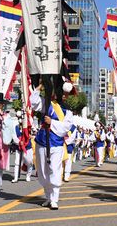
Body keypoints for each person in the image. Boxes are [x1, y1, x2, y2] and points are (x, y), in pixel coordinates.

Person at [32, 81, 74, 210]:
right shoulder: (46, 103)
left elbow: (66, 127)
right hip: (42, 140)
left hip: (56, 142)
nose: (63, 96)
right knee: (43, 170)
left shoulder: (67, 111)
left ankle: (55, 199)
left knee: (54, 170)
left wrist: (52, 122)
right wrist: (39, 86)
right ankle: (48, 197)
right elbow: (33, 102)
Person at [12, 113, 34, 183]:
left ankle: (28, 175)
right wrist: (18, 142)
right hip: (19, 147)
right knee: (17, 163)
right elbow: (14, 135)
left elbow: (31, 122)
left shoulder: (28, 125)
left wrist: (27, 112)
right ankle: (15, 177)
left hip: (27, 147)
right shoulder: (15, 126)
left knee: (29, 162)